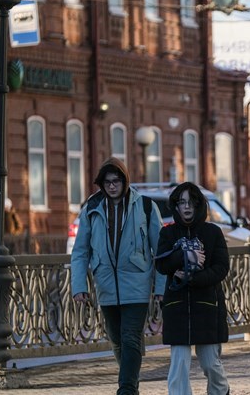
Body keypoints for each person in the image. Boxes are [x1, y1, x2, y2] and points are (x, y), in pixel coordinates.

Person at [70, 157, 165, 395]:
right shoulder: (91, 209)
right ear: (101, 184)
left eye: (117, 181)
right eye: (107, 182)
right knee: (117, 342)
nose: (112, 186)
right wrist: (79, 285)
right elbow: (80, 252)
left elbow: (161, 252)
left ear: (125, 181)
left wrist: (160, 288)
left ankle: (125, 389)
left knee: (131, 337)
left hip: (137, 284)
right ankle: (131, 384)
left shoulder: (144, 206)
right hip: (106, 286)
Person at [155, 182, 230, 395]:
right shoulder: (168, 234)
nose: (186, 207)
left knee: (210, 364)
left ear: (198, 205)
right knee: (178, 366)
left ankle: (221, 391)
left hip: (207, 305)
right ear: (175, 206)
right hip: (177, 307)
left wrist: (192, 277)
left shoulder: (213, 232)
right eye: (182, 202)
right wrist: (185, 256)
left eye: (191, 202)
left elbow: (221, 268)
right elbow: (161, 264)